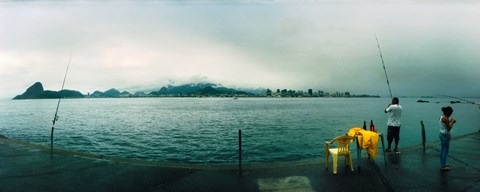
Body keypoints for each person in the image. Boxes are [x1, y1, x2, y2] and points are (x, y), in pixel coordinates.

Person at [439, 106, 456, 172]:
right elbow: (449, 128)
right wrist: (453, 122)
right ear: (447, 112)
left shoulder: (442, 117)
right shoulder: (446, 118)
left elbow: (445, 124)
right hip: (445, 135)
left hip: (441, 134)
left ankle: (442, 163)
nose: (450, 114)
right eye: (450, 113)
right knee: (445, 150)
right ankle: (443, 166)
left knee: (443, 149)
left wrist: (450, 121)